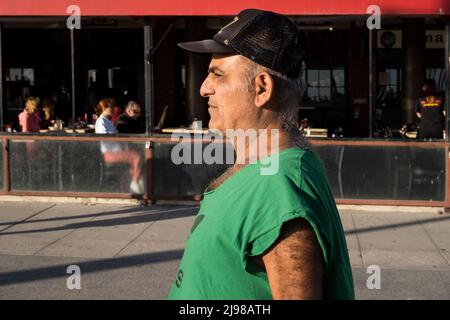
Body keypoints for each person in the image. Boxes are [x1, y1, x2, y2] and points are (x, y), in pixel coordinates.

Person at [168, 9, 354, 300]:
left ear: (262, 88)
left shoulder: (280, 187)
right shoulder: (268, 170)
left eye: (217, 74)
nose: (204, 88)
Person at [95, 98, 144, 194]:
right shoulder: (101, 122)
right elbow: (104, 139)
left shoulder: (107, 121)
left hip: (116, 150)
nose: (113, 109)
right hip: (109, 153)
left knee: (137, 157)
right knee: (136, 157)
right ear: (105, 108)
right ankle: (134, 184)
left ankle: (136, 182)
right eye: (111, 107)